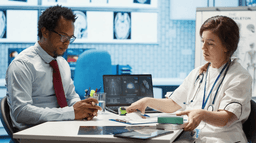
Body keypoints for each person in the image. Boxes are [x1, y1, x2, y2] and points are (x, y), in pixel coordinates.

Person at [126, 15, 252, 143]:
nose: (203, 48)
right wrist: (147, 101)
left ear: (227, 46)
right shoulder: (198, 73)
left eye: (210, 43)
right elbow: (174, 104)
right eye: (203, 41)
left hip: (222, 139)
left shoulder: (239, 77)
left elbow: (226, 118)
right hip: (195, 138)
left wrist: (202, 114)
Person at [5, 5, 101, 131]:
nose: (67, 42)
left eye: (70, 38)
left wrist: (83, 108)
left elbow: (71, 96)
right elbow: (21, 112)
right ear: (45, 32)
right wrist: (71, 113)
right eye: (63, 36)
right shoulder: (22, 65)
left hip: (63, 129)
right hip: (35, 134)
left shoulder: (62, 64)